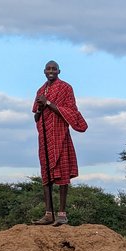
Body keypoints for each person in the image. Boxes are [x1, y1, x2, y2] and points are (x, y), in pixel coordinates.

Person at [32, 60, 88, 226]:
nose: (51, 71)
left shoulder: (65, 88)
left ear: (59, 71)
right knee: (46, 174)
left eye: (54, 69)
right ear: (44, 71)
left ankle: (62, 215)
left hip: (60, 133)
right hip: (45, 137)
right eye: (48, 69)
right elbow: (36, 117)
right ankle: (49, 214)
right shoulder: (40, 91)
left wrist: (48, 103)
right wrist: (41, 107)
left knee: (63, 173)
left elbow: (71, 111)